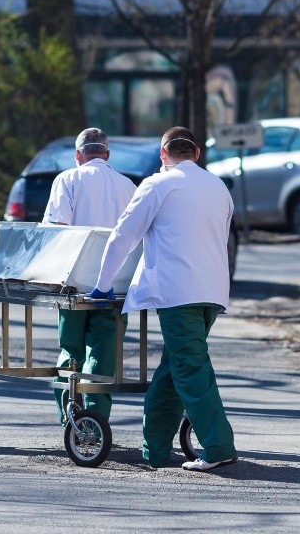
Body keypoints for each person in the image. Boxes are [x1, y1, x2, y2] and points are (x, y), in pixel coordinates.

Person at [88, 126, 237, 472]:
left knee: (189, 368)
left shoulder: (158, 185)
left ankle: (218, 446)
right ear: (197, 154)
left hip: (177, 292)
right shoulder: (219, 187)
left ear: (162, 155)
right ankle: (153, 450)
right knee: (173, 369)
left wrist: (102, 285)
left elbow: (123, 236)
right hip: (212, 291)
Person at [43, 127, 137, 425]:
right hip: (116, 285)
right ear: (107, 155)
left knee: (70, 349)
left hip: (74, 283)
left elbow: (56, 229)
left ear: (78, 155)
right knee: (103, 352)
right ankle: (96, 421)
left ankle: (69, 418)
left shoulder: (67, 180)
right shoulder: (128, 186)